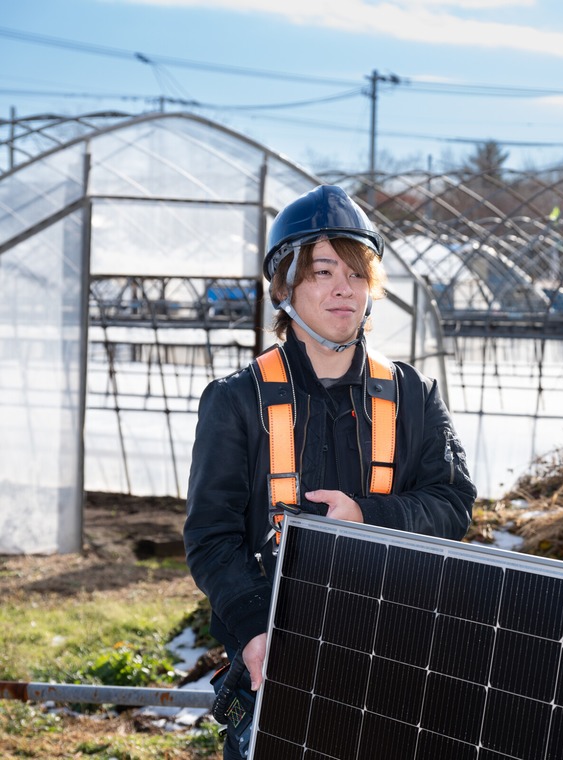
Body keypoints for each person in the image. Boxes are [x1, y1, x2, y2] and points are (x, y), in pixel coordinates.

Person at [184, 184, 476, 759]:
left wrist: (369, 515)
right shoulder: (237, 401)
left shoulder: (412, 394)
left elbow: (453, 502)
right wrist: (253, 630)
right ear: (284, 289)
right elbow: (210, 538)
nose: (344, 287)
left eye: (357, 272)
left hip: (393, 654)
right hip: (276, 658)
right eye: (322, 272)